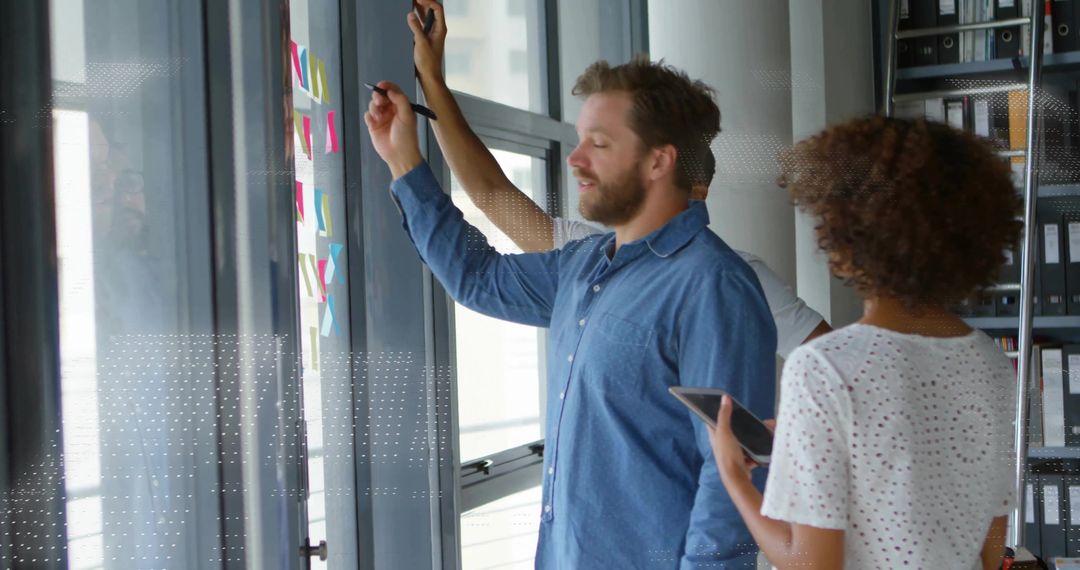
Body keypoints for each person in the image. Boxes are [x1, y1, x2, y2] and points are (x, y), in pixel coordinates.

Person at [365, 58, 776, 567]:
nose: (576, 159)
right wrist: (404, 161)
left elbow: (732, 479)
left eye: (599, 144)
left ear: (658, 161)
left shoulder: (714, 287)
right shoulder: (582, 265)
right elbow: (477, 279)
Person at [408, 0, 829, 357]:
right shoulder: (586, 256)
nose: (577, 160)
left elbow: (836, 368)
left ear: (667, 170)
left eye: (602, 144)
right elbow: (492, 196)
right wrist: (430, 80)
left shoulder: (733, 280)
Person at [708, 116, 1022, 569]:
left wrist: (736, 479)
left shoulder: (825, 367)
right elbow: (992, 553)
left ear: (846, 230)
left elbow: (811, 564)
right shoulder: (990, 363)